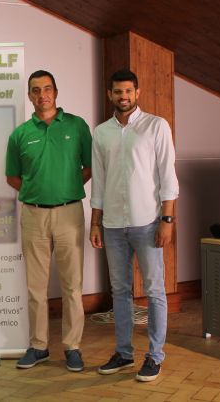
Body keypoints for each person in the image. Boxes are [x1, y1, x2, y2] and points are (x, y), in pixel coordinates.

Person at [89, 69, 179, 382]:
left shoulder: (156, 126)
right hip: (113, 225)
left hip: (148, 222)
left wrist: (167, 220)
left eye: (128, 91)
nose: (123, 96)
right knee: (120, 291)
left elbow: (168, 176)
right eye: (118, 92)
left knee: (154, 291)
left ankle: (155, 356)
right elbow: (99, 182)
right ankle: (124, 353)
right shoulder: (101, 133)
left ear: (137, 93)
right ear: (110, 95)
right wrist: (95, 222)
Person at [5, 70, 92, 372]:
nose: (42, 95)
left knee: (72, 286)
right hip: (33, 215)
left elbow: (89, 167)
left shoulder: (77, 126)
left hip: (69, 213)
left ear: (55, 92)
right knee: (36, 287)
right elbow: (12, 177)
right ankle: (39, 346)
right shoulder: (20, 134)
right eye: (36, 90)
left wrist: (65, 188)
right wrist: (37, 192)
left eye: (47, 89)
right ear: (30, 95)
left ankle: (72, 347)